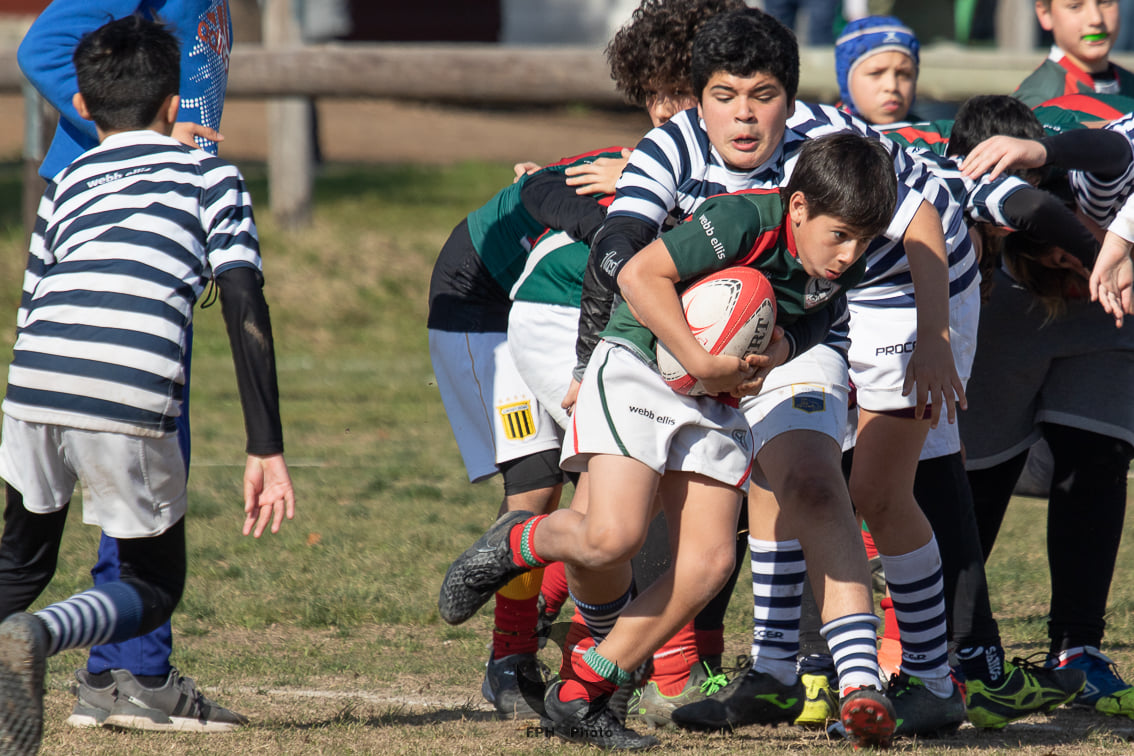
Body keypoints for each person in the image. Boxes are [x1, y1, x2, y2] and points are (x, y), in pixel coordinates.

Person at [441, 132, 903, 751]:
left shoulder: (843, 265)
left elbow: (812, 324)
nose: (849, 254)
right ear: (798, 209)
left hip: (714, 394)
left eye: (864, 240)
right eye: (839, 235)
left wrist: (769, 356)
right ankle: (519, 538)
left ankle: (580, 694)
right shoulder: (742, 219)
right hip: (638, 362)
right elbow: (639, 273)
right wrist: (698, 359)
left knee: (707, 564)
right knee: (613, 538)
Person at [0, 15, 294, 754]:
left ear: (86, 107)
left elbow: (32, 304)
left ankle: (26, 621)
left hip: (32, 382)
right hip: (128, 391)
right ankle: (41, 637)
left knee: (19, 561)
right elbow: (242, 299)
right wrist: (266, 446)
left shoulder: (64, 182)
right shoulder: (211, 174)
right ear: (175, 106)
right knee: (154, 583)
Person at [427, 144, 624, 719]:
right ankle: (509, 660)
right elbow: (539, 189)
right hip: (481, 304)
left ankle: (550, 624)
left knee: (604, 478)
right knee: (536, 487)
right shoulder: (639, 161)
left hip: (552, 305)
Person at [958, 101, 1134, 721]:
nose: (1062, 253)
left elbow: (1115, 151)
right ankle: (966, 656)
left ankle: (1077, 650)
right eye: (1046, 241)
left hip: (1108, 312)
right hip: (1006, 316)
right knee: (977, 483)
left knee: (1096, 464)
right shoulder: (974, 201)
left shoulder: (1086, 178)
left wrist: (1044, 154)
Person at [1014, 0, 1133, 108]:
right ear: (1045, 14)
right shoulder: (1038, 102)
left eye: (1105, 2)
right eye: (1075, 6)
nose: (1096, 19)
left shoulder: (1129, 84)